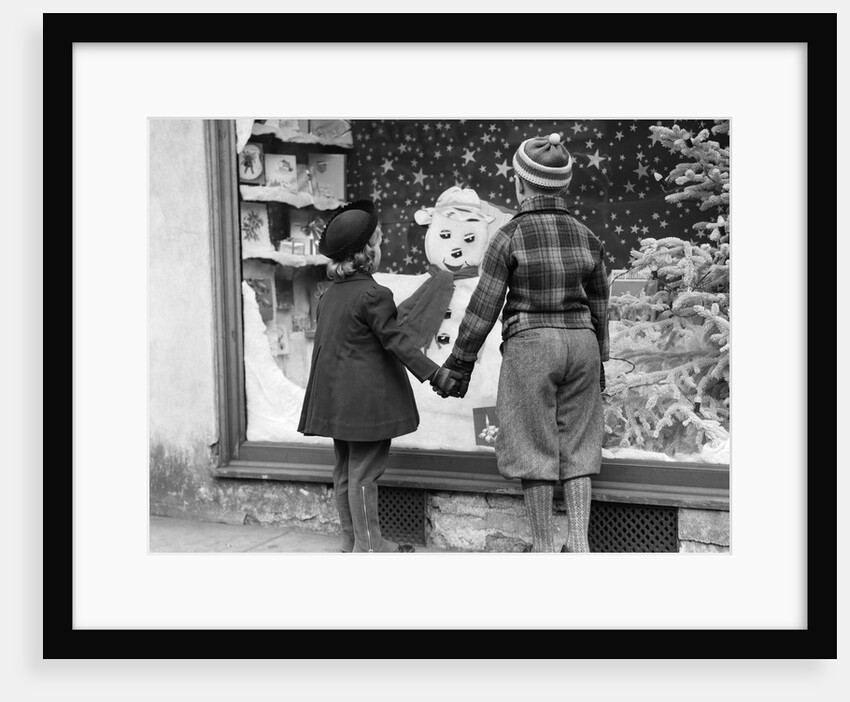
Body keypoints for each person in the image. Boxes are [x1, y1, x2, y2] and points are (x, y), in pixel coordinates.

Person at [437, 133, 610, 553]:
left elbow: (483, 308)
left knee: (533, 446)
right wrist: (600, 361)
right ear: (563, 186)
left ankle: (544, 548)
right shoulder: (587, 236)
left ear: (519, 183)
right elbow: (601, 306)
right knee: (580, 444)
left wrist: (459, 365)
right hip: (582, 342)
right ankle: (580, 545)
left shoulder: (509, 236)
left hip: (531, 345)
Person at [298, 199, 463, 553]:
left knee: (344, 471)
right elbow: (397, 341)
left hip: (335, 402)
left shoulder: (329, 297)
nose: (382, 248)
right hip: (366, 405)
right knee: (364, 473)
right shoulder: (374, 294)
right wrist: (435, 374)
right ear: (367, 253)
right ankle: (370, 546)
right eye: (379, 242)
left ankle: (351, 541)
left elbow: (330, 350)